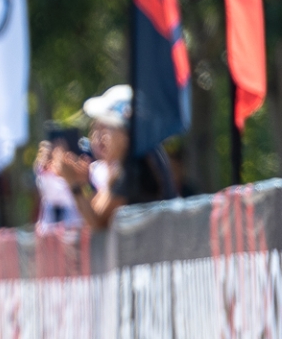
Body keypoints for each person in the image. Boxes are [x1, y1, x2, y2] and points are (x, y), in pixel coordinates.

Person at [35, 84, 178, 231]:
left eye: (106, 128)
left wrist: (73, 183)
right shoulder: (136, 160)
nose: (100, 137)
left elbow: (98, 222)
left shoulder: (136, 166)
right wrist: (84, 183)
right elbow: (97, 210)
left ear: (126, 134)